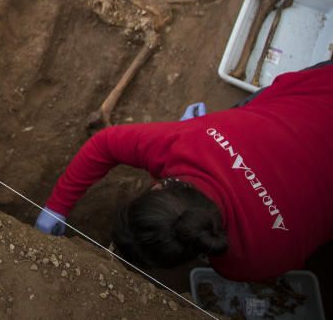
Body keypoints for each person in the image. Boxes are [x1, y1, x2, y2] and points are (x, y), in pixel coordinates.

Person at [34, 63, 333, 281]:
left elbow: (104, 144)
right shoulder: (186, 141)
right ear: (159, 188)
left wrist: (56, 208)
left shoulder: (253, 264)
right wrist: (56, 205)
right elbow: (104, 144)